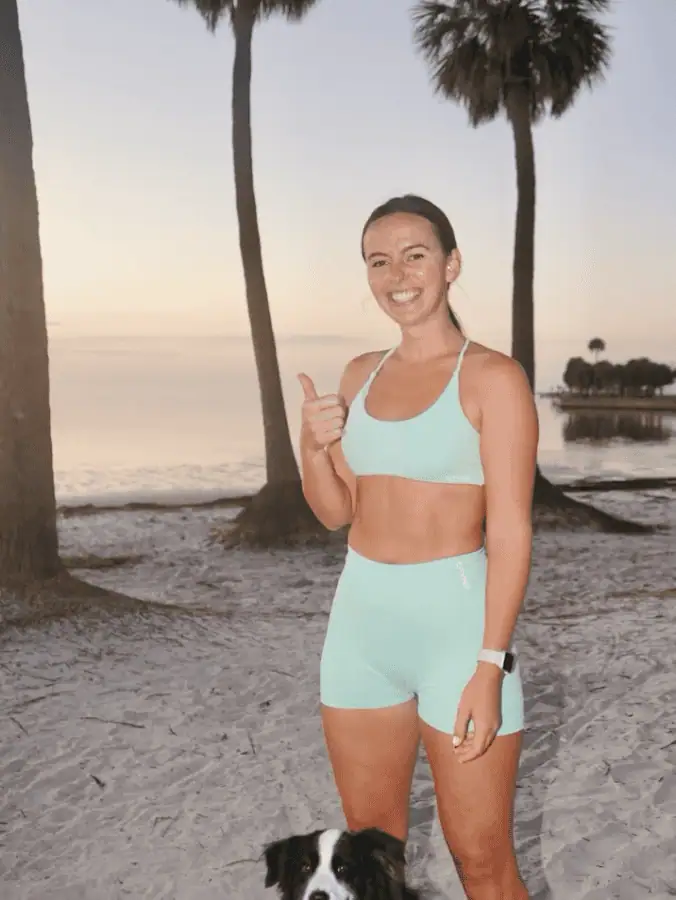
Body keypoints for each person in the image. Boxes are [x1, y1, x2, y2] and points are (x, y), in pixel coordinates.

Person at [297, 194, 538, 900]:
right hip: (359, 628)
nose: (397, 274)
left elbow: (512, 530)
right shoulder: (358, 374)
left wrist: (489, 666)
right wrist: (313, 446)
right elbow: (336, 512)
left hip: (458, 635)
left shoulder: (493, 377)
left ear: (451, 264)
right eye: (379, 260)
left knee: (482, 858)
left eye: (415, 255)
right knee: (371, 856)